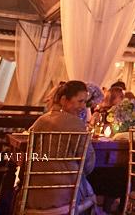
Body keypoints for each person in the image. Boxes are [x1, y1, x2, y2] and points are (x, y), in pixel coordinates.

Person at [25, 80, 96, 212]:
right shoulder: (76, 123)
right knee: (91, 194)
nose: (83, 106)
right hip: (64, 195)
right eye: (79, 101)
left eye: (85, 102)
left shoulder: (40, 121)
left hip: (32, 195)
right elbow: (88, 165)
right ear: (64, 100)